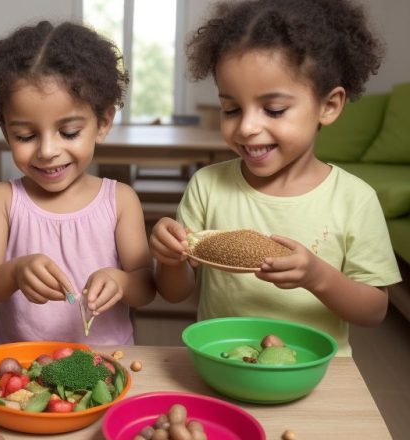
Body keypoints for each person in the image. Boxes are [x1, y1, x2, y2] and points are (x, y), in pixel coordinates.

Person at [150, 0, 399, 356]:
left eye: (274, 110)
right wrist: (170, 259)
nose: (248, 127)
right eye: (231, 109)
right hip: (223, 364)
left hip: (313, 375)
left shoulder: (354, 199)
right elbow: (176, 293)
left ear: (328, 106)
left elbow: (373, 310)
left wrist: (319, 277)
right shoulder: (207, 186)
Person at [0, 21, 156, 345]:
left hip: (107, 368)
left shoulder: (120, 200)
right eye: (25, 136)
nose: (47, 151)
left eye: (68, 133)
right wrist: (14, 272)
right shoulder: (0, 200)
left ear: (103, 122)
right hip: (22, 374)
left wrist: (120, 282)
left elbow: (147, 287)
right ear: (5, 130)